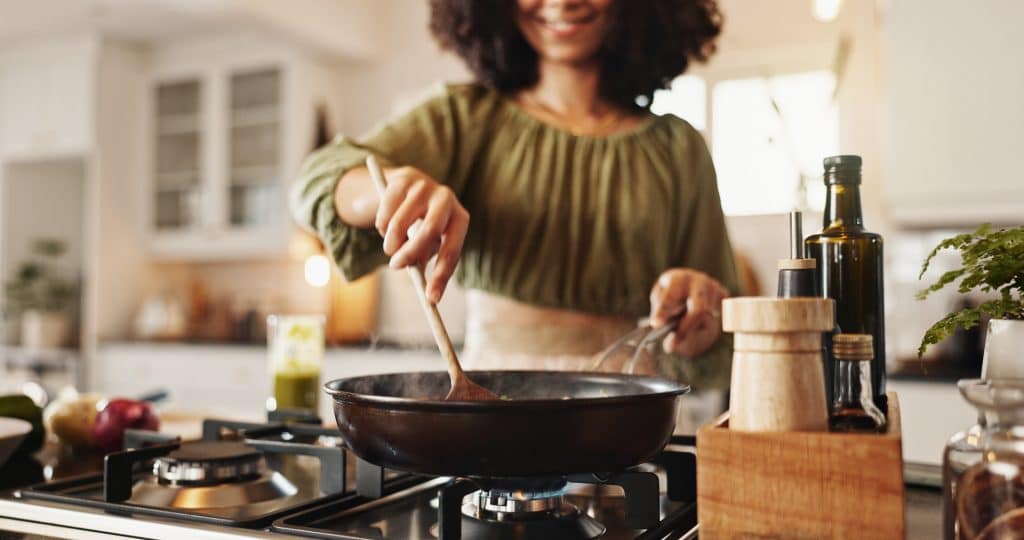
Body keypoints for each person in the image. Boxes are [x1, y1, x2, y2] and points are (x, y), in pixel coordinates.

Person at [292, 0, 739, 388]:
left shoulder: (679, 149)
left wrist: (699, 319)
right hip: (492, 416)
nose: (562, 4)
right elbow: (317, 180)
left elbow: (724, 333)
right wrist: (389, 190)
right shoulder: (467, 118)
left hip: (625, 425)